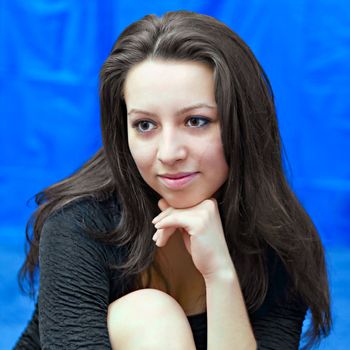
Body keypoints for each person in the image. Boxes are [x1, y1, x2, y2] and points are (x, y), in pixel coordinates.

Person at [14, 10, 332, 350]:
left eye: (196, 121)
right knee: (152, 314)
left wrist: (221, 275)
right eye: (145, 125)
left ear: (241, 123)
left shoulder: (280, 242)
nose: (168, 153)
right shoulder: (80, 224)